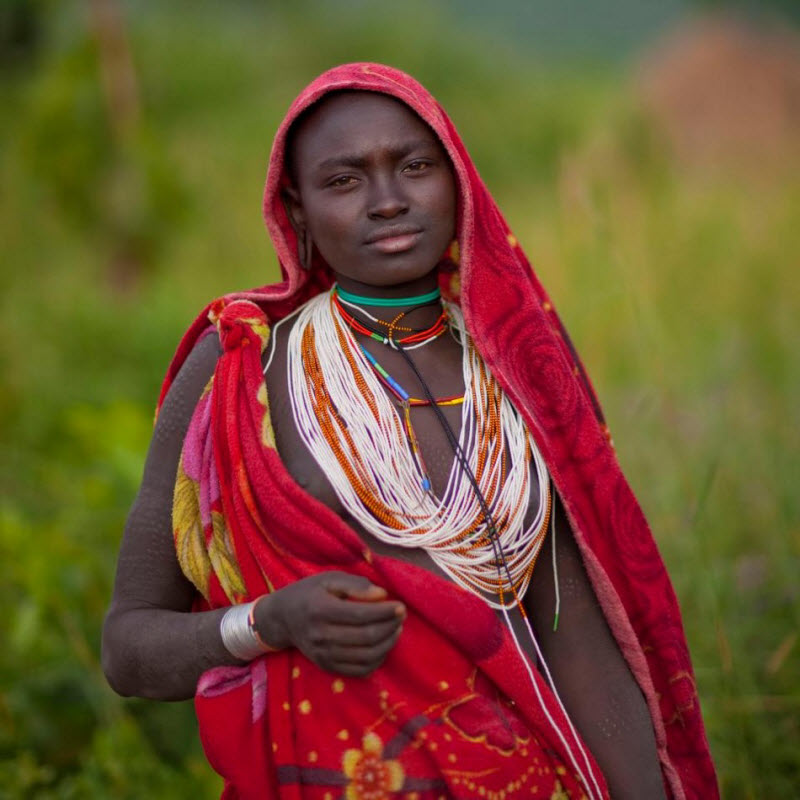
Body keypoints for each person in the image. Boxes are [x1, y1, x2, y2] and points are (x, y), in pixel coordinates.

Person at [102, 64, 718, 799]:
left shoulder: (520, 362)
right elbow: (128, 647)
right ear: (295, 208)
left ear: (457, 178)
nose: (388, 202)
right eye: (344, 180)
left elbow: (575, 636)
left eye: (415, 166)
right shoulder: (242, 367)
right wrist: (270, 622)